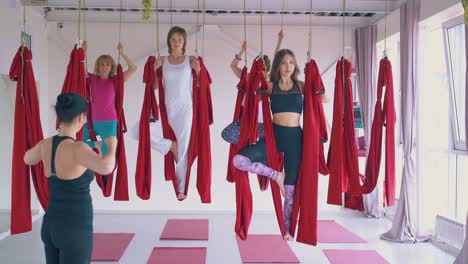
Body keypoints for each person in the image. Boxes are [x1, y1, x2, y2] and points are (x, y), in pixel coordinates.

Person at [232, 48, 328, 241]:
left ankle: (287, 230)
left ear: (295, 66)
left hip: (295, 139)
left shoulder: (301, 85)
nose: (288, 67)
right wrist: (252, 72)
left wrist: (319, 90)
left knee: (290, 193)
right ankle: (276, 175)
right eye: (284, 63)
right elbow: (249, 87)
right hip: (273, 137)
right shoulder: (270, 86)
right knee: (239, 160)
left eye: (291, 63)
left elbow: (324, 99)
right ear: (278, 66)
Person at [24, 92, 117, 264]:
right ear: (82, 116)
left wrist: (94, 148)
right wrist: (112, 145)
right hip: (74, 229)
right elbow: (107, 167)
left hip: (50, 225)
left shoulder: (46, 144)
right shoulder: (78, 148)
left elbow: (27, 158)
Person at [130, 26, 201, 201]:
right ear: (169, 42)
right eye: (173, 39)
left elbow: (201, 85)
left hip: (185, 109)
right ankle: (170, 145)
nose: (176, 43)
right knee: (139, 131)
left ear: (184, 43)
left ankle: (181, 188)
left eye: (180, 39)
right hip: (166, 109)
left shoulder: (190, 60)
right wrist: (155, 70)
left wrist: (198, 70)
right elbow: (153, 86)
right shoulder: (162, 61)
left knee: (184, 150)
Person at [82, 41, 137, 183]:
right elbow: (78, 68)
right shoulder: (92, 79)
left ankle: (105, 182)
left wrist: (122, 53)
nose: (105, 67)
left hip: (109, 122)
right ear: (98, 67)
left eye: (107, 64)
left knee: (108, 157)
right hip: (92, 121)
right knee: (80, 142)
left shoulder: (115, 81)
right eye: (102, 64)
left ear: (111, 67)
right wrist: (83, 51)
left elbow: (133, 68)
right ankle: (96, 146)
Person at [222, 29, 285, 144]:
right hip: (249, 120)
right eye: (258, 67)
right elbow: (233, 66)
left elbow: (277, 58)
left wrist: (280, 40)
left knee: (264, 149)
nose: (260, 70)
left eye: (264, 67)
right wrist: (241, 51)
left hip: (265, 123)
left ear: (268, 68)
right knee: (228, 133)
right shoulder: (249, 77)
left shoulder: (270, 80)